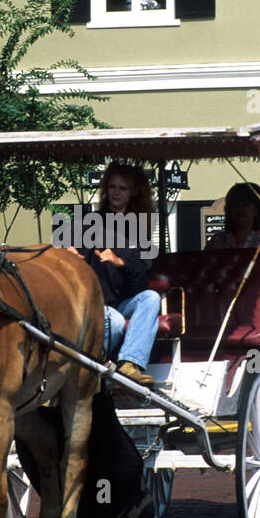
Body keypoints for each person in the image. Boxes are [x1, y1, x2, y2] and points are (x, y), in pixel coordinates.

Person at [72, 162, 160, 388]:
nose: (116, 192)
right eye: (112, 187)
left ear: (132, 193)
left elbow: (142, 276)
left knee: (151, 298)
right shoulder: (89, 223)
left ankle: (130, 364)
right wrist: (69, 252)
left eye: (122, 188)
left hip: (122, 301)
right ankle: (89, 365)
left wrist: (120, 263)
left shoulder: (138, 229)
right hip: (95, 302)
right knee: (117, 322)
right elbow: (70, 251)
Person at [206, 182, 260, 251]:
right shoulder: (218, 241)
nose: (240, 209)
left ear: (256, 211)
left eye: (245, 205)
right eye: (236, 204)